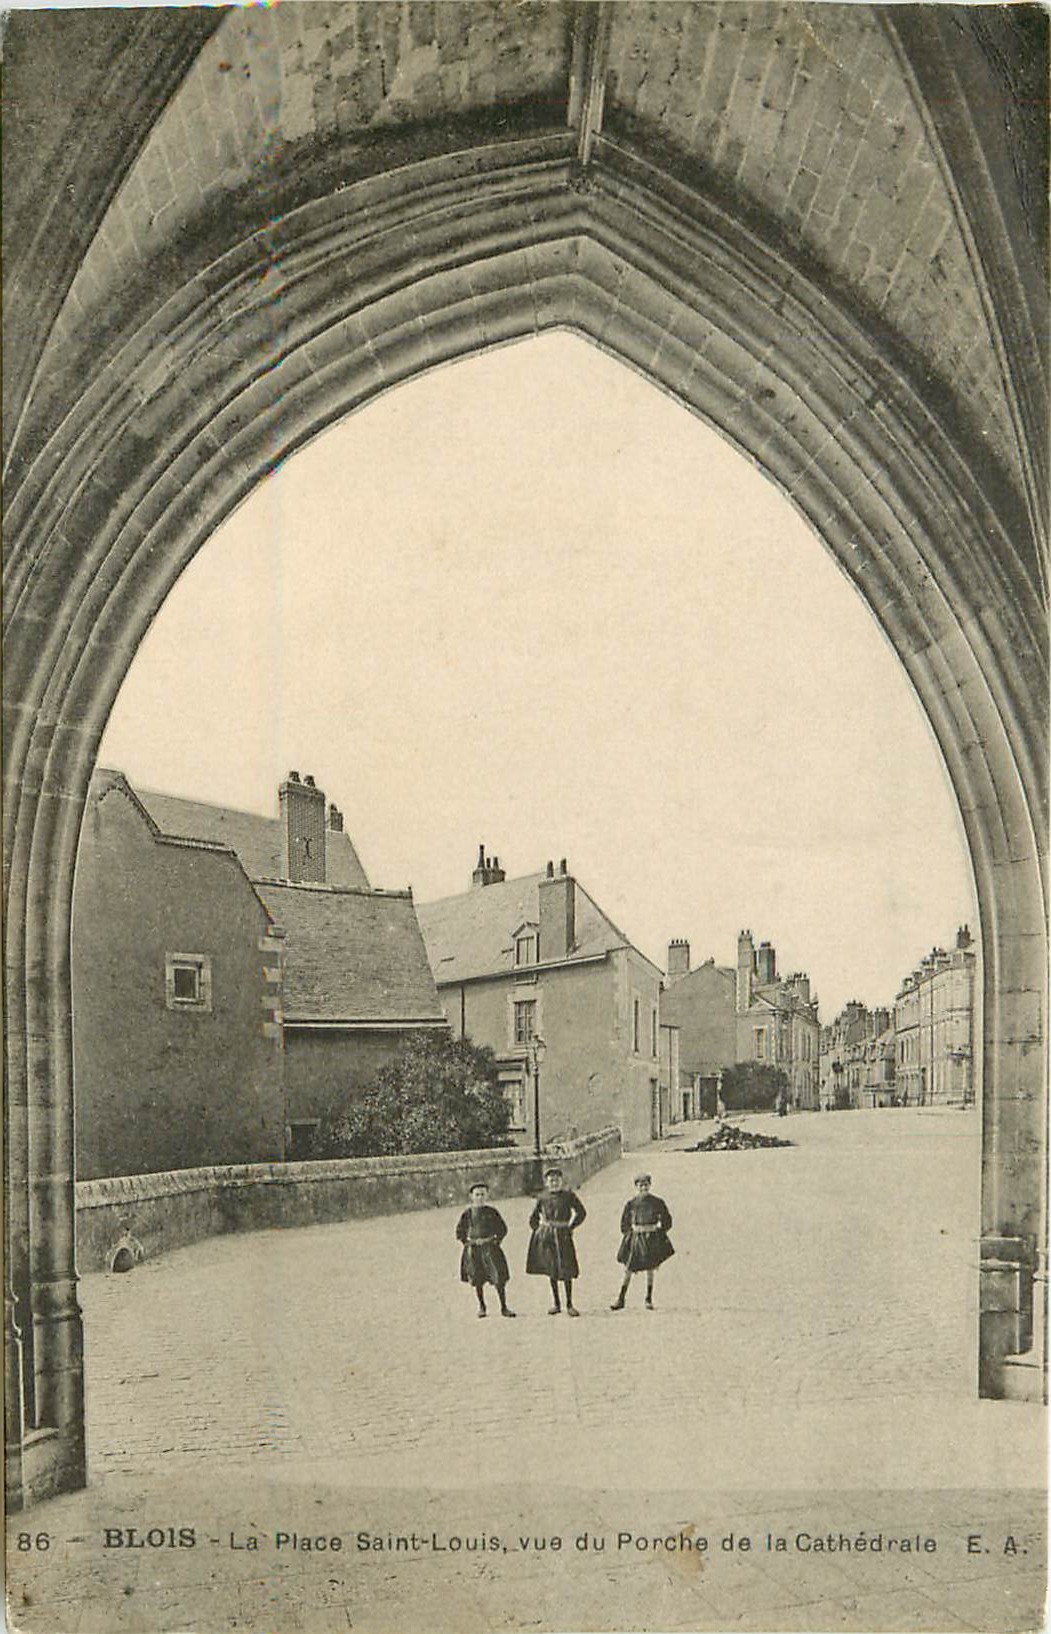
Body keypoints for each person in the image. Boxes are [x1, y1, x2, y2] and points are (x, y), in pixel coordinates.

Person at [526, 1166, 586, 1315]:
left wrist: (571, 1226)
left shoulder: (568, 1196)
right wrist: (539, 1232)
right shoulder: (542, 1197)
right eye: (551, 1180)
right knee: (551, 1268)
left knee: (567, 1268)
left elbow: (581, 1212)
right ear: (546, 1183)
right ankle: (556, 1304)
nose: (554, 1183)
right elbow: (533, 1218)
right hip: (547, 1237)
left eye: (557, 1180)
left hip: (563, 1235)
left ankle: (569, 1304)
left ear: (562, 1181)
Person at [610, 1173, 673, 1311]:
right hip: (637, 1238)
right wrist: (629, 1235)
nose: (643, 1188)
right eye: (640, 1185)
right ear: (636, 1187)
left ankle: (648, 1298)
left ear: (650, 1185)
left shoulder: (657, 1202)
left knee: (650, 1269)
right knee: (628, 1269)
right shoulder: (631, 1204)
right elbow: (624, 1223)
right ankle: (621, 1298)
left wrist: (659, 1232)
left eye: (646, 1185)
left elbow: (667, 1220)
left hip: (651, 1238)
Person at [455, 1182, 515, 1318]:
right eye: (477, 1195)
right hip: (474, 1250)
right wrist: (468, 1243)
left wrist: (495, 1241)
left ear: (487, 1195)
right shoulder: (467, 1214)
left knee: (498, 1278)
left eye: (483, 1194)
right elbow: (459, 1231)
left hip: (490, 1249)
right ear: (471, 1196)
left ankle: (504, 1307)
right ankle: (482, 1306)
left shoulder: (492, 1212)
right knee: (477, 1278)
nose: (480, 1197)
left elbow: (502, 1229)